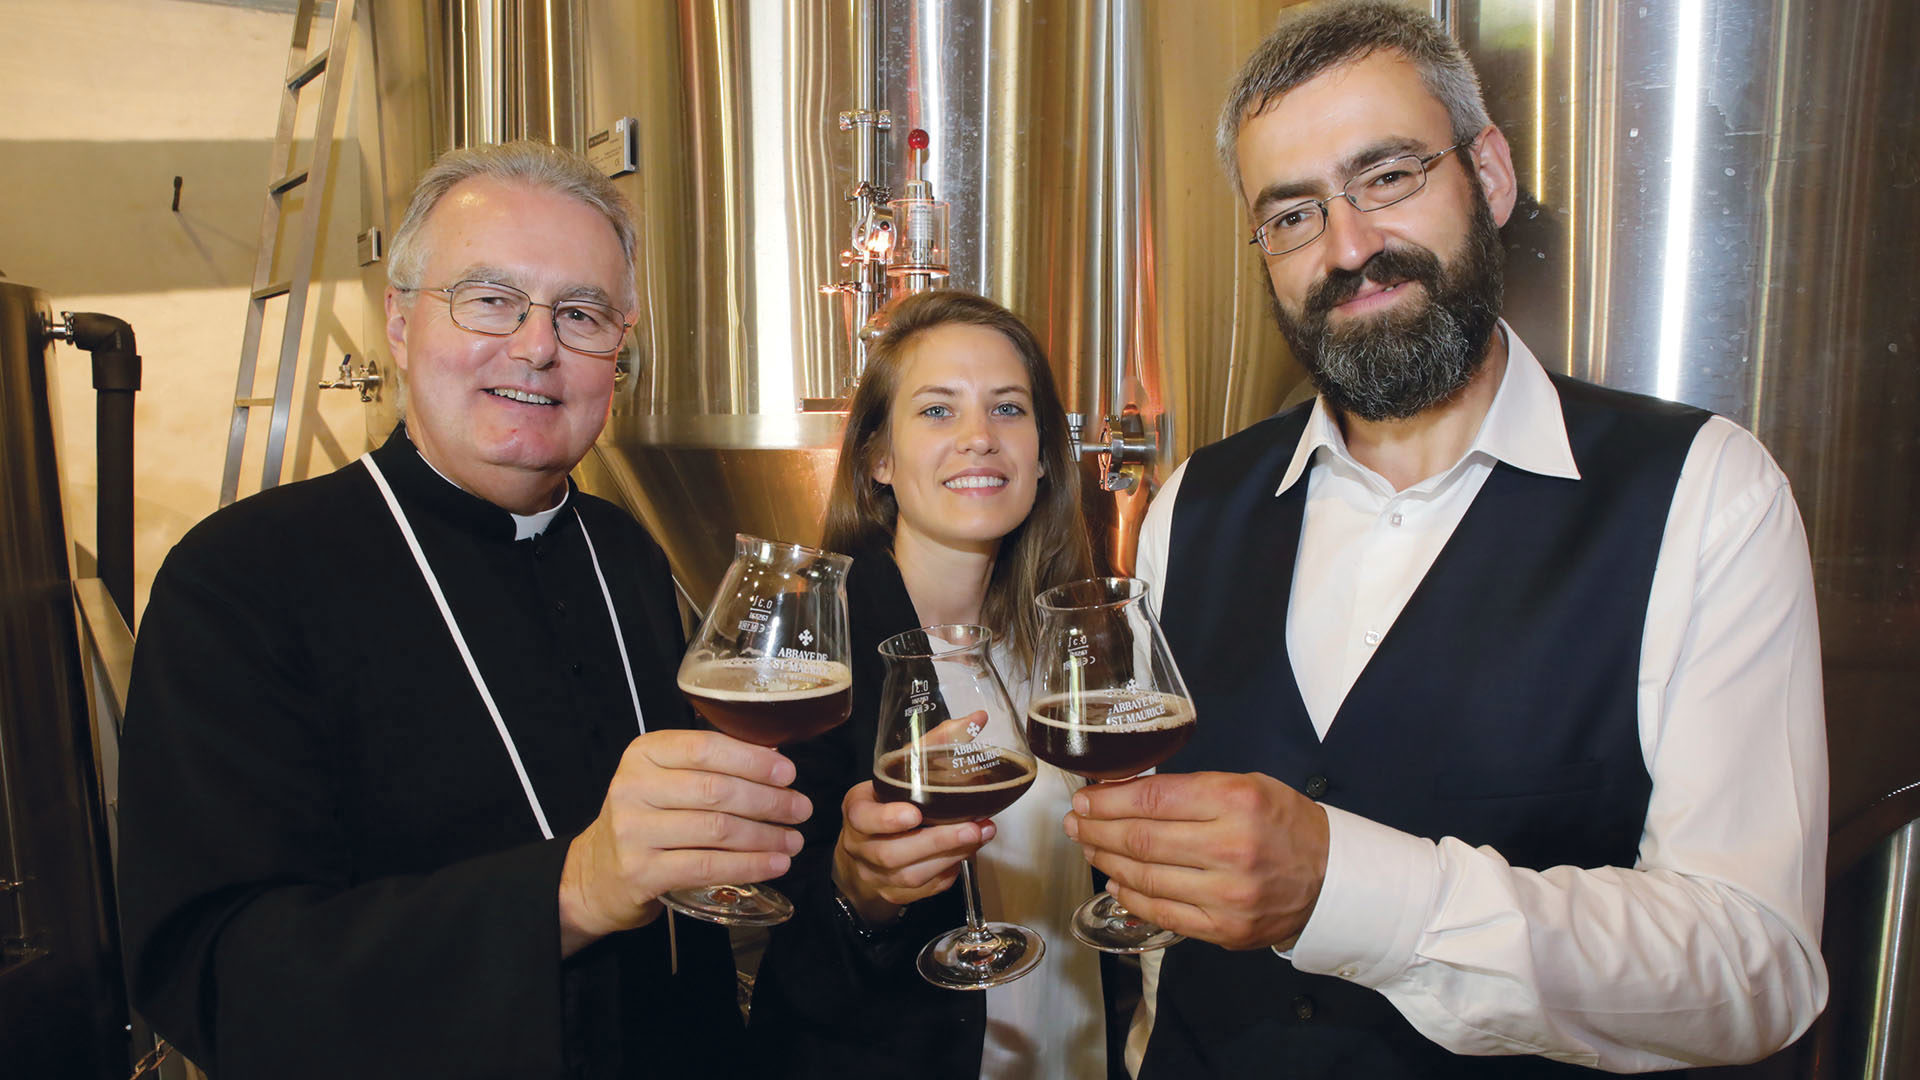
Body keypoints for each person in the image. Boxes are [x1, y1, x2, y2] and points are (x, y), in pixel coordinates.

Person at [1064, 3, 1830, 1076]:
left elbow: (1757, 967)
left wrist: (1351, 890)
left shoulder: (1706, 494)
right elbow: (1157, 938)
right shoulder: (1196, 504)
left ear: (1491, 174)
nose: (1350, 247)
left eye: (1387, 178)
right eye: (1292, 215)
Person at [116, 142, 812, 1078]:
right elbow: (219, 977)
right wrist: (576, 887)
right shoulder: (240, 578)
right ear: (399, 323)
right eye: (489, 299)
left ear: (619, 349)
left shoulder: (627, 552)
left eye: (581, 312)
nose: (536, 345)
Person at [746, 290, 1109, 1077]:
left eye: (1008, 409)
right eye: (938, 412)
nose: (980, 439)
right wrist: (857, 890)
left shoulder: (1074, 644)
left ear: (1045, 453)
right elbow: (755, 936)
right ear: (878, 457)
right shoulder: (814, 652)